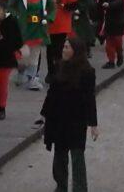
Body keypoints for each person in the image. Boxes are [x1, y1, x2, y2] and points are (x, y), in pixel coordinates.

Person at [40, 37, 98, 192]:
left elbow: (89, 98)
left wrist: (93, 124)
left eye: (67, 47)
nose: (64, 50)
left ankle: (80, 187)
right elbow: (52, 94)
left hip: (77, 120)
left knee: (77, 155)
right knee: (59, 155)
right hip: (58, 119)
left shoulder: (87, 71)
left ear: (76, 50)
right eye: (64, 47)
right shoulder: (59, 66)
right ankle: (61, 185)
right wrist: (44, 114)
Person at [10, 0, 55, 91]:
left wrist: (49, 18)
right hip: (24, 28)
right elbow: (11, 6)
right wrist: (17, 16)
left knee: (35, 56)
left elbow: (52, 7)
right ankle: (21, 72)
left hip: (38, 28)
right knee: (24, 55)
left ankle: (32, 79)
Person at [46, 0, 78, 83]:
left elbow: (75, 3)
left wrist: (66, 7)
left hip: (62, 27)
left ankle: (59, 73)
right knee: (50, 52)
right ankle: (51, 73)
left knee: (59, 51)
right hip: (50, 26)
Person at [94, 0, 124, 69]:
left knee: (117, 41)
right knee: (109, 43)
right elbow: (98, 10)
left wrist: (109, 5)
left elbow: (119, 3)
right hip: (109, 22)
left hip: (119, 21)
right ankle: (111, 61)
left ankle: (119, 54)